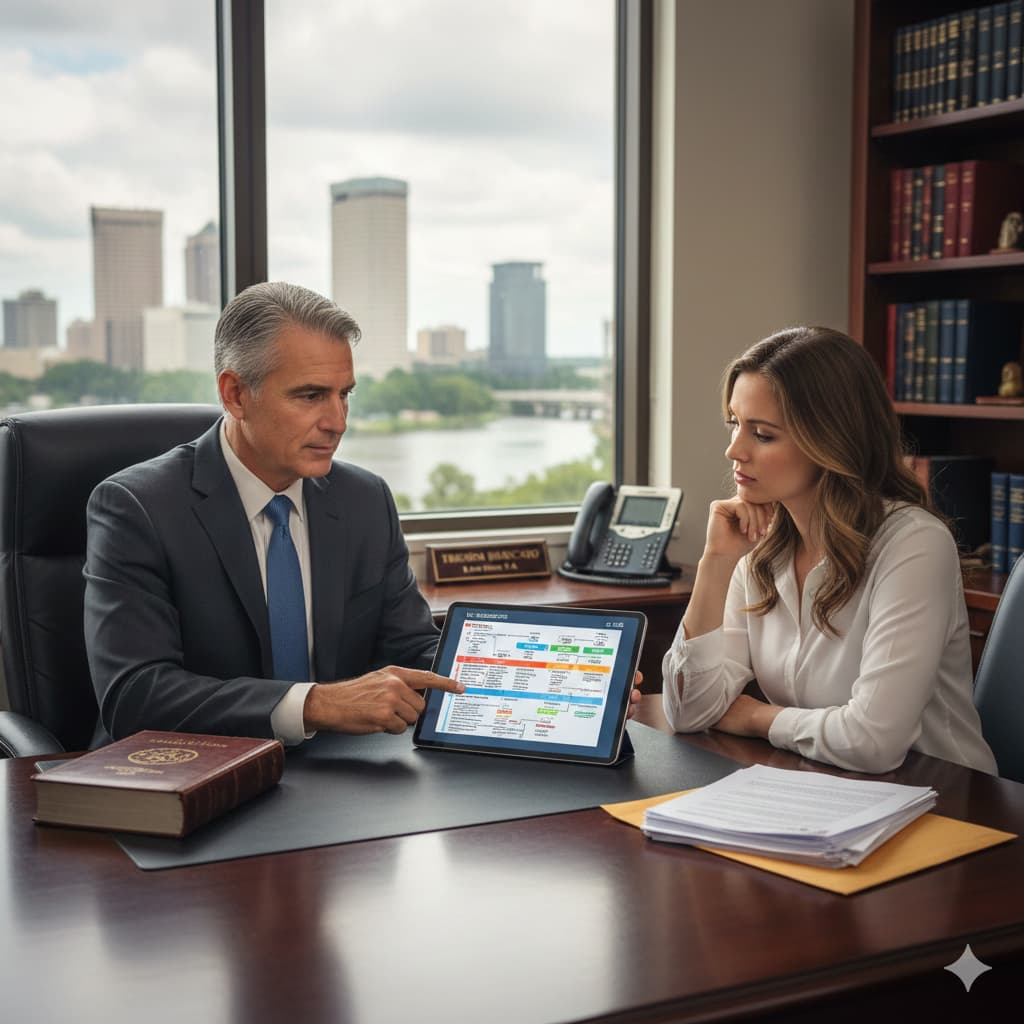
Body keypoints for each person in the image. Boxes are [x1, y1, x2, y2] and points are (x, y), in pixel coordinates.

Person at [84, 282, 463, 747]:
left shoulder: (365, 499)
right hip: (189, 780)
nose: (338, 421)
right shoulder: (136, 508)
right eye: (310, 396)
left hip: (343, 779)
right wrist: (314, 704)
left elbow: (409, 647)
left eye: (345, 394)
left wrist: (516, 674)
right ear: (235, 395)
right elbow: (135, 696)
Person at [662, 326, 996, 775]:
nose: (733, 450)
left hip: (946, 801)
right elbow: (688, 712)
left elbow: (872, 741)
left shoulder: (914, 545)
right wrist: (716, 562)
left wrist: (759, 717)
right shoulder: (758, 550)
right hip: (826, 789)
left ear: (831, 441)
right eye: (734, 424)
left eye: (762, 434)